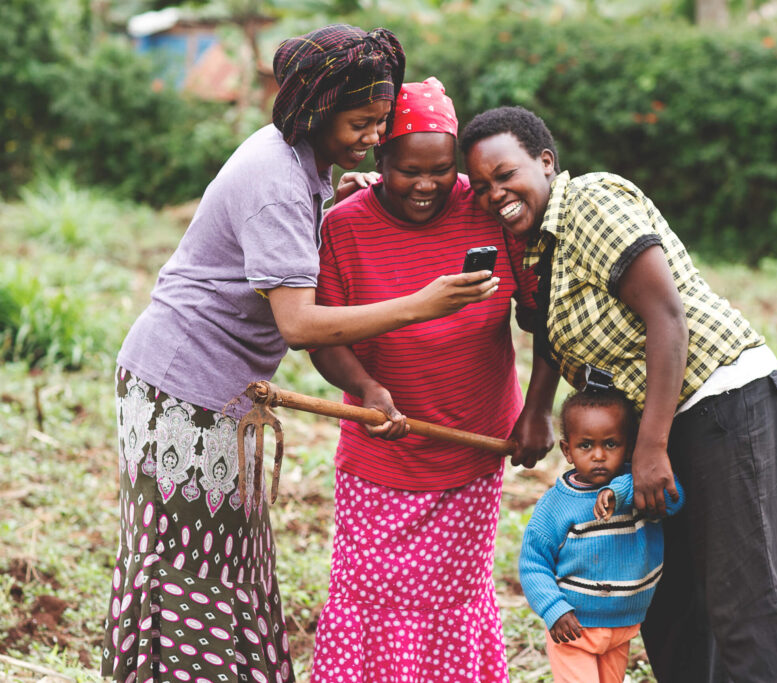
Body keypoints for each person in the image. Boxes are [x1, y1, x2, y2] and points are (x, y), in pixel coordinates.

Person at [100, 27, 502, 683]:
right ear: (316, 107)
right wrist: (422, 303)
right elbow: (301, 322)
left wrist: (330, 203)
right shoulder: (277, 178)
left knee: (228, 547)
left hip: (219, 389)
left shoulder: (303, 166)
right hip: (181, 387)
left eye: (379, 121)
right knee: (188, 557)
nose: (374, 136)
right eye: (361, 122)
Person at [462, 106, 777, 682]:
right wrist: (535, 414)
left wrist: (651, 448)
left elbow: (666, 318)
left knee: (742, 598)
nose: (494, 193)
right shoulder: (533, 247)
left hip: (719, 400)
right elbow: (552, 336)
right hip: (658, 420)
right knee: (671, 602)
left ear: (546, 162)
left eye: (505, 175)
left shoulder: (591, 203)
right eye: (481, 186)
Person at [307, 77, 537, 683]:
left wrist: (538, 411)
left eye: (441, 169)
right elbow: (321, 337)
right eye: (409, 170)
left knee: (453, 598)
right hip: (381, 453)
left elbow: (539, 315)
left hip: (474, 445)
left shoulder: (485, 209)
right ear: (380, 160)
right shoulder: (346, 226)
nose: (428, 185)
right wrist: (366, 389)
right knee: (372, 596)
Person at [519, 388, 683, 683]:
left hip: (622, 626)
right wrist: (554, 609)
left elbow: (673, 498)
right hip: (573, 627)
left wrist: (619, 493)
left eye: (610, 444)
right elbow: (533, 565)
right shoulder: (555, 507)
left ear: (630, 447)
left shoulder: (639, 487)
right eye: (585, 445)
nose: (598, 455)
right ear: (567, 451)